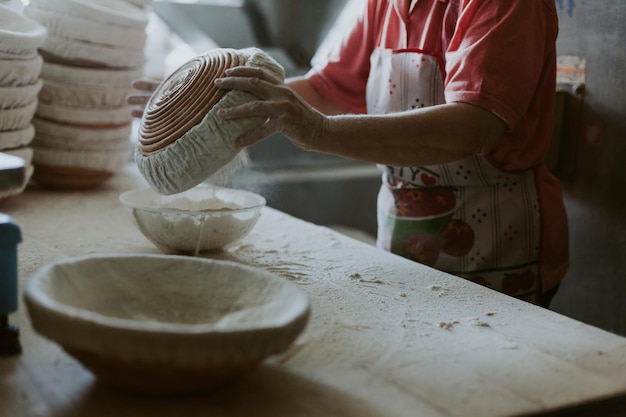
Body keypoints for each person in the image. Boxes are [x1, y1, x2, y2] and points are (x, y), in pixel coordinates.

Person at [132, 0, 569, 307]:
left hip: (498, 249)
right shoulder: (385, 3)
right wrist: (202, 108)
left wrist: (318, 130)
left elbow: (474, 127)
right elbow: (326, 88)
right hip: (404, 242)